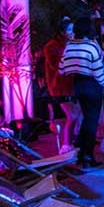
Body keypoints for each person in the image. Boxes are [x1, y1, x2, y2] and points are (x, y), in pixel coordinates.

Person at [59, 17, 104, 168]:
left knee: (86, 118)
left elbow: (61, 69)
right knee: (91, 121)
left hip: (77, 85)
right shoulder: (91, 46)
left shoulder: (69, 46)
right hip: (92, 85)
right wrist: (103, 84)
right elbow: (98, 71)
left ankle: (81, 153)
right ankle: (88, 156)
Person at [43, 17, 82, 154]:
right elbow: (56, 65)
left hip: (72, 85)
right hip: (59, 86)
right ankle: (66, 145)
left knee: (77, 114)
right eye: (69, 30)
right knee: (72, 115)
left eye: (73, 30)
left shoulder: (71, 44)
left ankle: (72, 141)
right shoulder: (52, 46)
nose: (72, 32)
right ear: (61, 31)